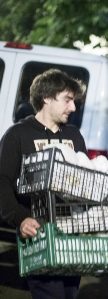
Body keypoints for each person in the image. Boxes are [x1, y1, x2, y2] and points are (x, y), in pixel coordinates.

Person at [0, 69, 87, 299]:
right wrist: (20, 219)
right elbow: (2, 182)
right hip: (37, 237)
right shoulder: (17, 135)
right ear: (46, 98)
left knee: (69, 295)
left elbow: (86, 181)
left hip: (71, 239)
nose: (73, 108)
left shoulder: (74, 136)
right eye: (67, 100)